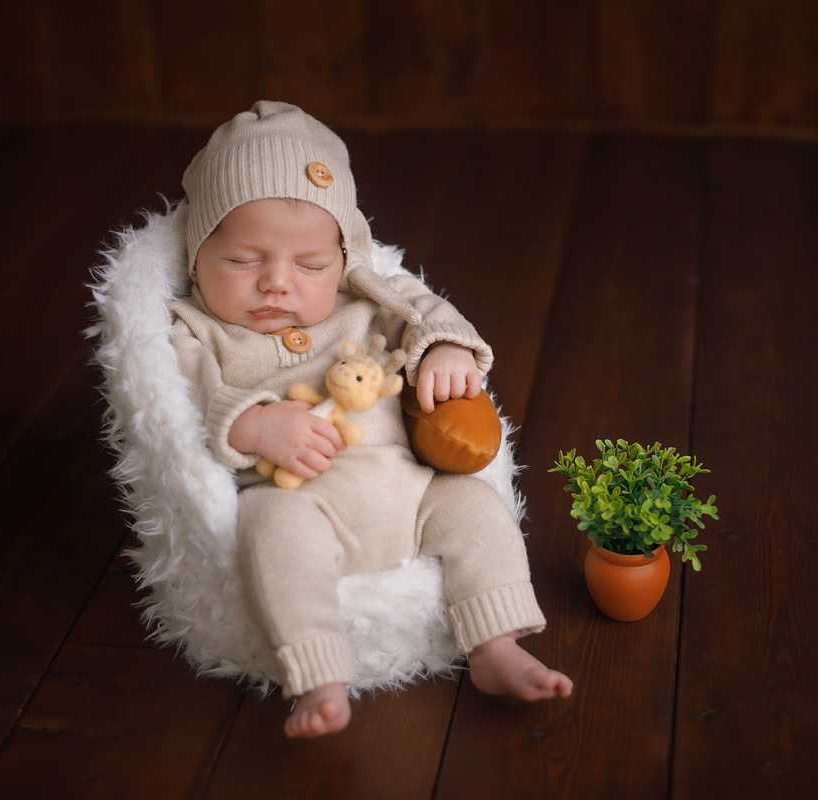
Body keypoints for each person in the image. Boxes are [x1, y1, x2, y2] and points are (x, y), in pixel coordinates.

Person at [169, 101, 573, 738]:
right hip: (305, 505)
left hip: (412, 494)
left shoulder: (362, 303)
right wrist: (256, 424)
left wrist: (443, 347)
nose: (276, 284)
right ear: (196, 259)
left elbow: (425, 308)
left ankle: (496, 646)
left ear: (343, 260)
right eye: (244, 261)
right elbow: (185, 396)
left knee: (475, 508)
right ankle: (320, 675)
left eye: (309, 266)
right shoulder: (198, 330)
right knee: (269, 528)